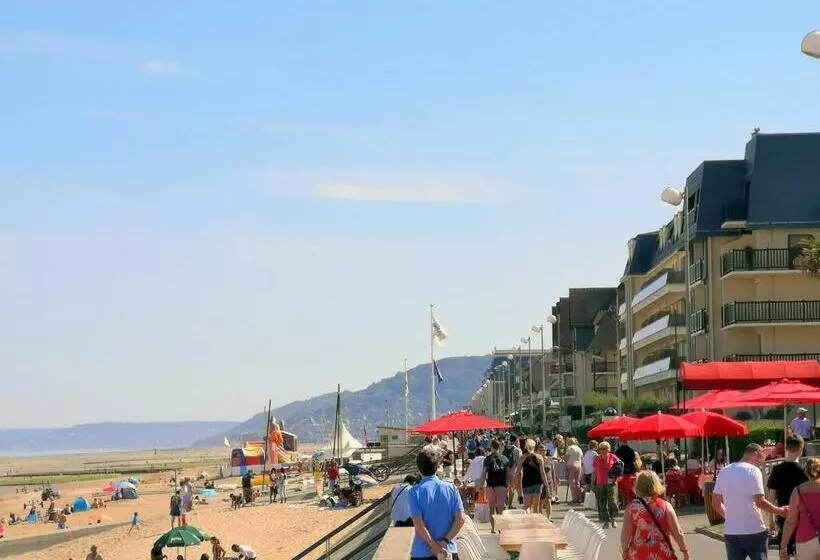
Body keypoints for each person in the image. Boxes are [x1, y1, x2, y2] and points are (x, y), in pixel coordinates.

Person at [712, 442, 788, 560]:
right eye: (761, 457)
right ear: (755, 454)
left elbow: (716, 503)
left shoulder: (724, 471)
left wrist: (730, 517)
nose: (762, 462)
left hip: (732, 531)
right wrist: (779, 510)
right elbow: (759, 501)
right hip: (754, 529)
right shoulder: (753, 471)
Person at [408, 446, 464, 560]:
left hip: (423, 552)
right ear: (437, 466)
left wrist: (434, 546)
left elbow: (419, 525)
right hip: (449, 550)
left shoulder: (414, 492)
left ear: (418, 468)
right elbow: (461, 520)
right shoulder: (452, 488)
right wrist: (444, 542)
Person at [621, 470, 690, 560]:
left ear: (637, 486)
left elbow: (626, 534)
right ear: (656, 484)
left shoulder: (631, 508)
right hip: (663, 553)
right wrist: (685, 551)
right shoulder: (666, 506)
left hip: (639, 554)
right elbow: (677, 533)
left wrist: (625, 550)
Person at [768, 436, 808, 556]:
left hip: (783, 517)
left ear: (786, 448)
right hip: (803, 520)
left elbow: (771, 498)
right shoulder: (805, 471)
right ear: (801, 449)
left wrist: (771, 521)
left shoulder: (777, 470)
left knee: (785, 553)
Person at [780, 457, 820, 559]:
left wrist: (784, 545)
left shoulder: (798, 490)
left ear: (806, 472)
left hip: (805, 541)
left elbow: (791, 521)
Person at [515, 439, 548, 515]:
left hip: (526, 483)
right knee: (536, 506)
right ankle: (535, 523)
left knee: (526, 506)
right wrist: (546, 485)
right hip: (538, 483)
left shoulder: (522, 458)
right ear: (534, 447)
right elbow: (542, 473)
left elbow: (518, 473)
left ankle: (528, 522)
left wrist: (518, 490)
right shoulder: (539, 457)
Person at [483, 440, 509, 533]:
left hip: (491, 486)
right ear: (499, 447)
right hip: (502, 486)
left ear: (492, 447)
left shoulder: (487, 459)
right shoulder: (504, 459)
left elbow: (484, 473)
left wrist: (482, 485)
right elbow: (508, 474)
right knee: (500, 509)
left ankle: (493, 528)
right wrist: (508, 486)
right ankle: (500, 528)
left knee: (492, 508)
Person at [592, 441, 620, 528]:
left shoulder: (613, 457)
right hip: (600, 483)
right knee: (601, 502)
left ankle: (613, 519)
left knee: (612, 501)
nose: (603, 450)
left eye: (605, 449)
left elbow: (619, 468)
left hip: (611, 482)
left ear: (609, 449)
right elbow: (594, 471)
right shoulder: (596, 458)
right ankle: (605, 521)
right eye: (601, 449)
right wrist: (592, 482)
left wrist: (616, 477)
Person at [503, 436, 521, 508]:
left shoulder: (505, 448)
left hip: (504, 470)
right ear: (516, 440)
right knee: (512, 487)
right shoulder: (517, 450)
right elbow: (518, 461)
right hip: (513, 470)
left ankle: (505, 498)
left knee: (506, 486)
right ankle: (510, 505)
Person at [565, 437, 584, 504]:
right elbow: (582, 459)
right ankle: (579, 498)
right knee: (577, 482)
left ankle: (574, 499)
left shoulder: (570, 448)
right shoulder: (579, 448)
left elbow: (566, 458)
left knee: (572, 482)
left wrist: (563, 459)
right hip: (579, 465)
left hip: (571, 465)